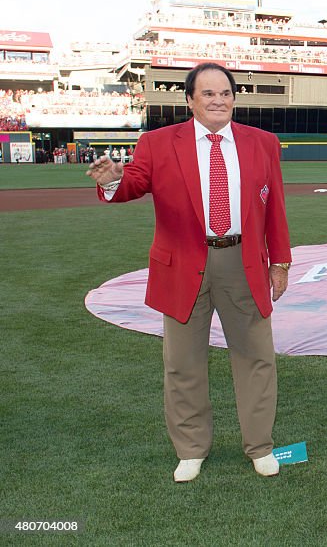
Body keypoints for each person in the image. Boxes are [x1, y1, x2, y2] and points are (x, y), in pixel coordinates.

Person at [86, 62, 292, 482]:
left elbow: (275, 209)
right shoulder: (159, 142)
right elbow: (134, 184)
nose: (218, 100)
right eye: (208, 94)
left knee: (256, 358)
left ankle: (259, 446)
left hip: (243, 262)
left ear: (234, 98)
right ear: (190, 101)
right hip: (181, 264)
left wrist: (280, 261)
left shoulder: (263, 143)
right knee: (183, 363)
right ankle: (191, 449)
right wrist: (112, 181)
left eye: (225, 93)